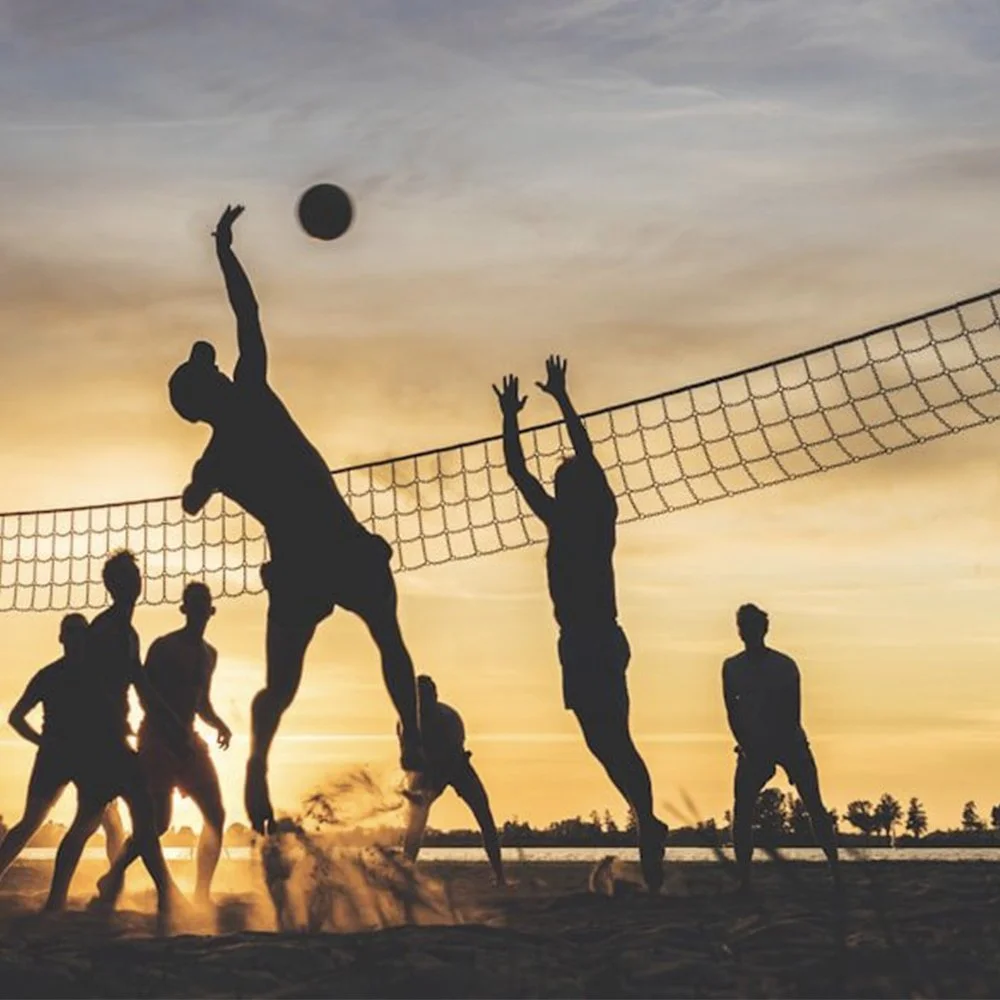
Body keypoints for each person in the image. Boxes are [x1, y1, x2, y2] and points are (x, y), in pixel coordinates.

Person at [167, 204, 423, 834]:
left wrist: (201, 481)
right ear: (211, 390)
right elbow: (246, 313)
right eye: (210, 371)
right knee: (387, 638)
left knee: (282, 689)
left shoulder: (216, 454)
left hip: (297, 565)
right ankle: (412, 737)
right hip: (335, 545)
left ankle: (257, 763)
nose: (220, 367)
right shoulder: (249, 391)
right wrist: (225, 250)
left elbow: (190, 503)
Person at [493, 355, 667, 892]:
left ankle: (649, 822)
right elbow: (531, 471)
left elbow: (540, 468)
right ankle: (647, 817)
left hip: (591, 638)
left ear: (572, 490)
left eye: (561, 480)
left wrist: (532, 411)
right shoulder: (581, 519)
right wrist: (535, 408)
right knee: (605, 739)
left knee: (611, 736)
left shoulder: (583, 520)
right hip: (588, 639)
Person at [44, 551, 186, 920]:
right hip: (99, 742)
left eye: (136, 577)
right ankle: (62, 900)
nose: (134, 584)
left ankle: (65, 900)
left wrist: (171, 724)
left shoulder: (127, 632)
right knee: (97, 820)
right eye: (126, 579)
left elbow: (141, 686)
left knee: (118, 817)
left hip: (109, 742)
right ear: (113, 586)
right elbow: (85, 685)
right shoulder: (105, 631)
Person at [93, 581, 232, 908]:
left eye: (203, 603)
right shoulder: (164, 647)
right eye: (193, 603)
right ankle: (114, 874)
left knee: (216, 814)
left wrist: (220, 724)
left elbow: (202, 703)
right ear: (184, 609)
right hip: (157, 737)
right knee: (159, 823)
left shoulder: (209, 654)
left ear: (210, 610)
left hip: (188, 737)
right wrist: (166, 729)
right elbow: (147, 694)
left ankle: (202, 894)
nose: (199, 609)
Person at [0, 614, 126, 887]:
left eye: (79, 633)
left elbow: (110, 714)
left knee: (112, 819)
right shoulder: (50, 675)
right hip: (57, 757)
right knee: (30, 823)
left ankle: (115, 884)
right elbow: (15, 717)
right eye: (70, 633)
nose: (74, 638)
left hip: (87, 756)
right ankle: (112, 885)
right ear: (61, 638)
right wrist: (41, 742)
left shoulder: (96, 674)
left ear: (87, 638)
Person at [722, 603, 839, 893]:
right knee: (743, 807)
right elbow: (732, 713)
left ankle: (835, 869)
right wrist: (749, 748)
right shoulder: (732, 667)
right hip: (752, 744)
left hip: (789, 741)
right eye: (743, 627)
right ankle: (745, 879)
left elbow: (792, 713)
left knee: (813, 803)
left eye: (751, 627)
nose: (747, 632)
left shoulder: (784, 666)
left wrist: (779, 751)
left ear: (763, 629)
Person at [400, 676, 505, 886]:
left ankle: (499, 876)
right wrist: (413, 791)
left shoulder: (450, 718)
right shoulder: (406, 724)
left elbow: (453, 759)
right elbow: (407, 759)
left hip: (457, 765)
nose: (425, 703)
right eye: (421, 699)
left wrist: (434, 786)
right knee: (415, 822)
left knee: (483, 812)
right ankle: (405, 874)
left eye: (429, 698)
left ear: (435, 697)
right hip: (427, 771)